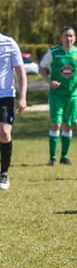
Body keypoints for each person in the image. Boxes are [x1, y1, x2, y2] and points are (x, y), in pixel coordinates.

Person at [39, 26, 77, 166]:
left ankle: (64, 157)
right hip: (56, 95)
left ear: (75, 38)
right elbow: (41, 67)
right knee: (56, 124)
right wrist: (49, 81)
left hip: (72, 95)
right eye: (66, 36)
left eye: (71, 36)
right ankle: (52, 157)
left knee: (68, 126)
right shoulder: (53, 52)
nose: (69, 39)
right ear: (61, 38)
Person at [0, 32, 27, 190]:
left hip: (5, 96)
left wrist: (22, 97)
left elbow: (21, 73)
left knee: (4, 133)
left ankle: (4, 173)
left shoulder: (9, 43)